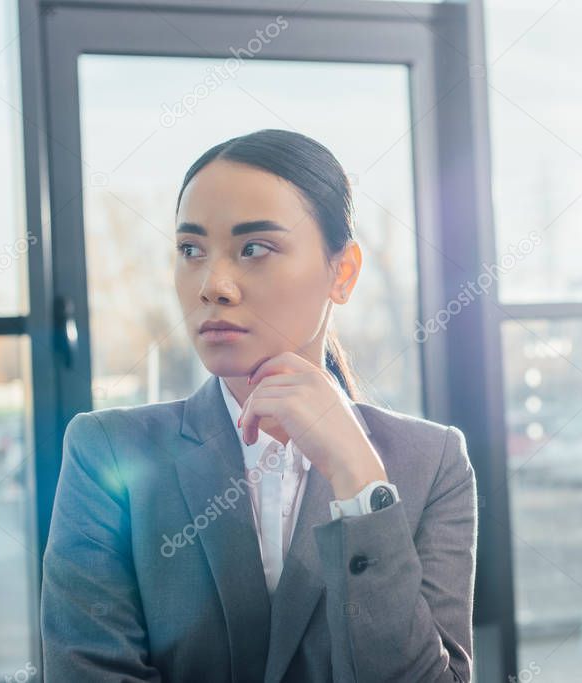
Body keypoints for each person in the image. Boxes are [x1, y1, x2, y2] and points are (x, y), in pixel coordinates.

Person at [39, 129, 477, 682]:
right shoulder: (105, 450)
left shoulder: (431, 462)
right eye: (190, 250)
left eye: (254, 248)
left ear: (341, 273)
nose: (213, 286)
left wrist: (360, 485)